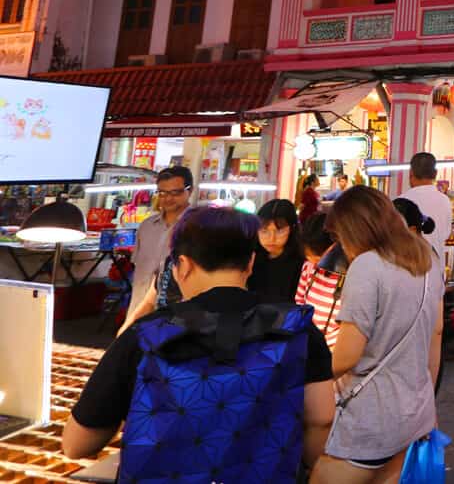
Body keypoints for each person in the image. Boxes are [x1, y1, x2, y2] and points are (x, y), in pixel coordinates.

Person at [63, 207, 335, 480]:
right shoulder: (298, 329)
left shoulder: (146, 334)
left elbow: (76, 444)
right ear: (250, 263)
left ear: (183, 265)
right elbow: (322, 418)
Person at [312, 186, 443, 483]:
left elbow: (346, 357)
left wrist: (302, 375)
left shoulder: (367, 266)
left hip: (371, 418)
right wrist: (429, 402)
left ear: (354, 230)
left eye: (339, 237)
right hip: (414, 413)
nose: (340, 246)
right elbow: (435, 334)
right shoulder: (428, 261)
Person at [128, 165, 192, 311]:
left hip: (175, 314)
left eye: (175, 192)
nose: (168, 198)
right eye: (162, 193)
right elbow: (139, 268)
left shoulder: (198, 227)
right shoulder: (146, 226)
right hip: (139, 309)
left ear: (190, 190)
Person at [296, 213, 346, 348]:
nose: (315, 264)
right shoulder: (308, 267)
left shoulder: (349, 275)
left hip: (336, 348)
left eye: (319, 259)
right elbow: (300, 302)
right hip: (309, 343)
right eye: (309, 257)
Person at [400, 152, 453, 268]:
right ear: (435, 174)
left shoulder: (401, 201)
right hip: (436, 271)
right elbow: (445, 235)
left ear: (411, 173)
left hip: (408, 270)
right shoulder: (445, 201)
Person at [249, 198, 307, 302]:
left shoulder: (302, 263)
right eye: (264, 231)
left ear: (292, 229)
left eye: (279, 231)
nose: (271, 238)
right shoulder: (250, 258)